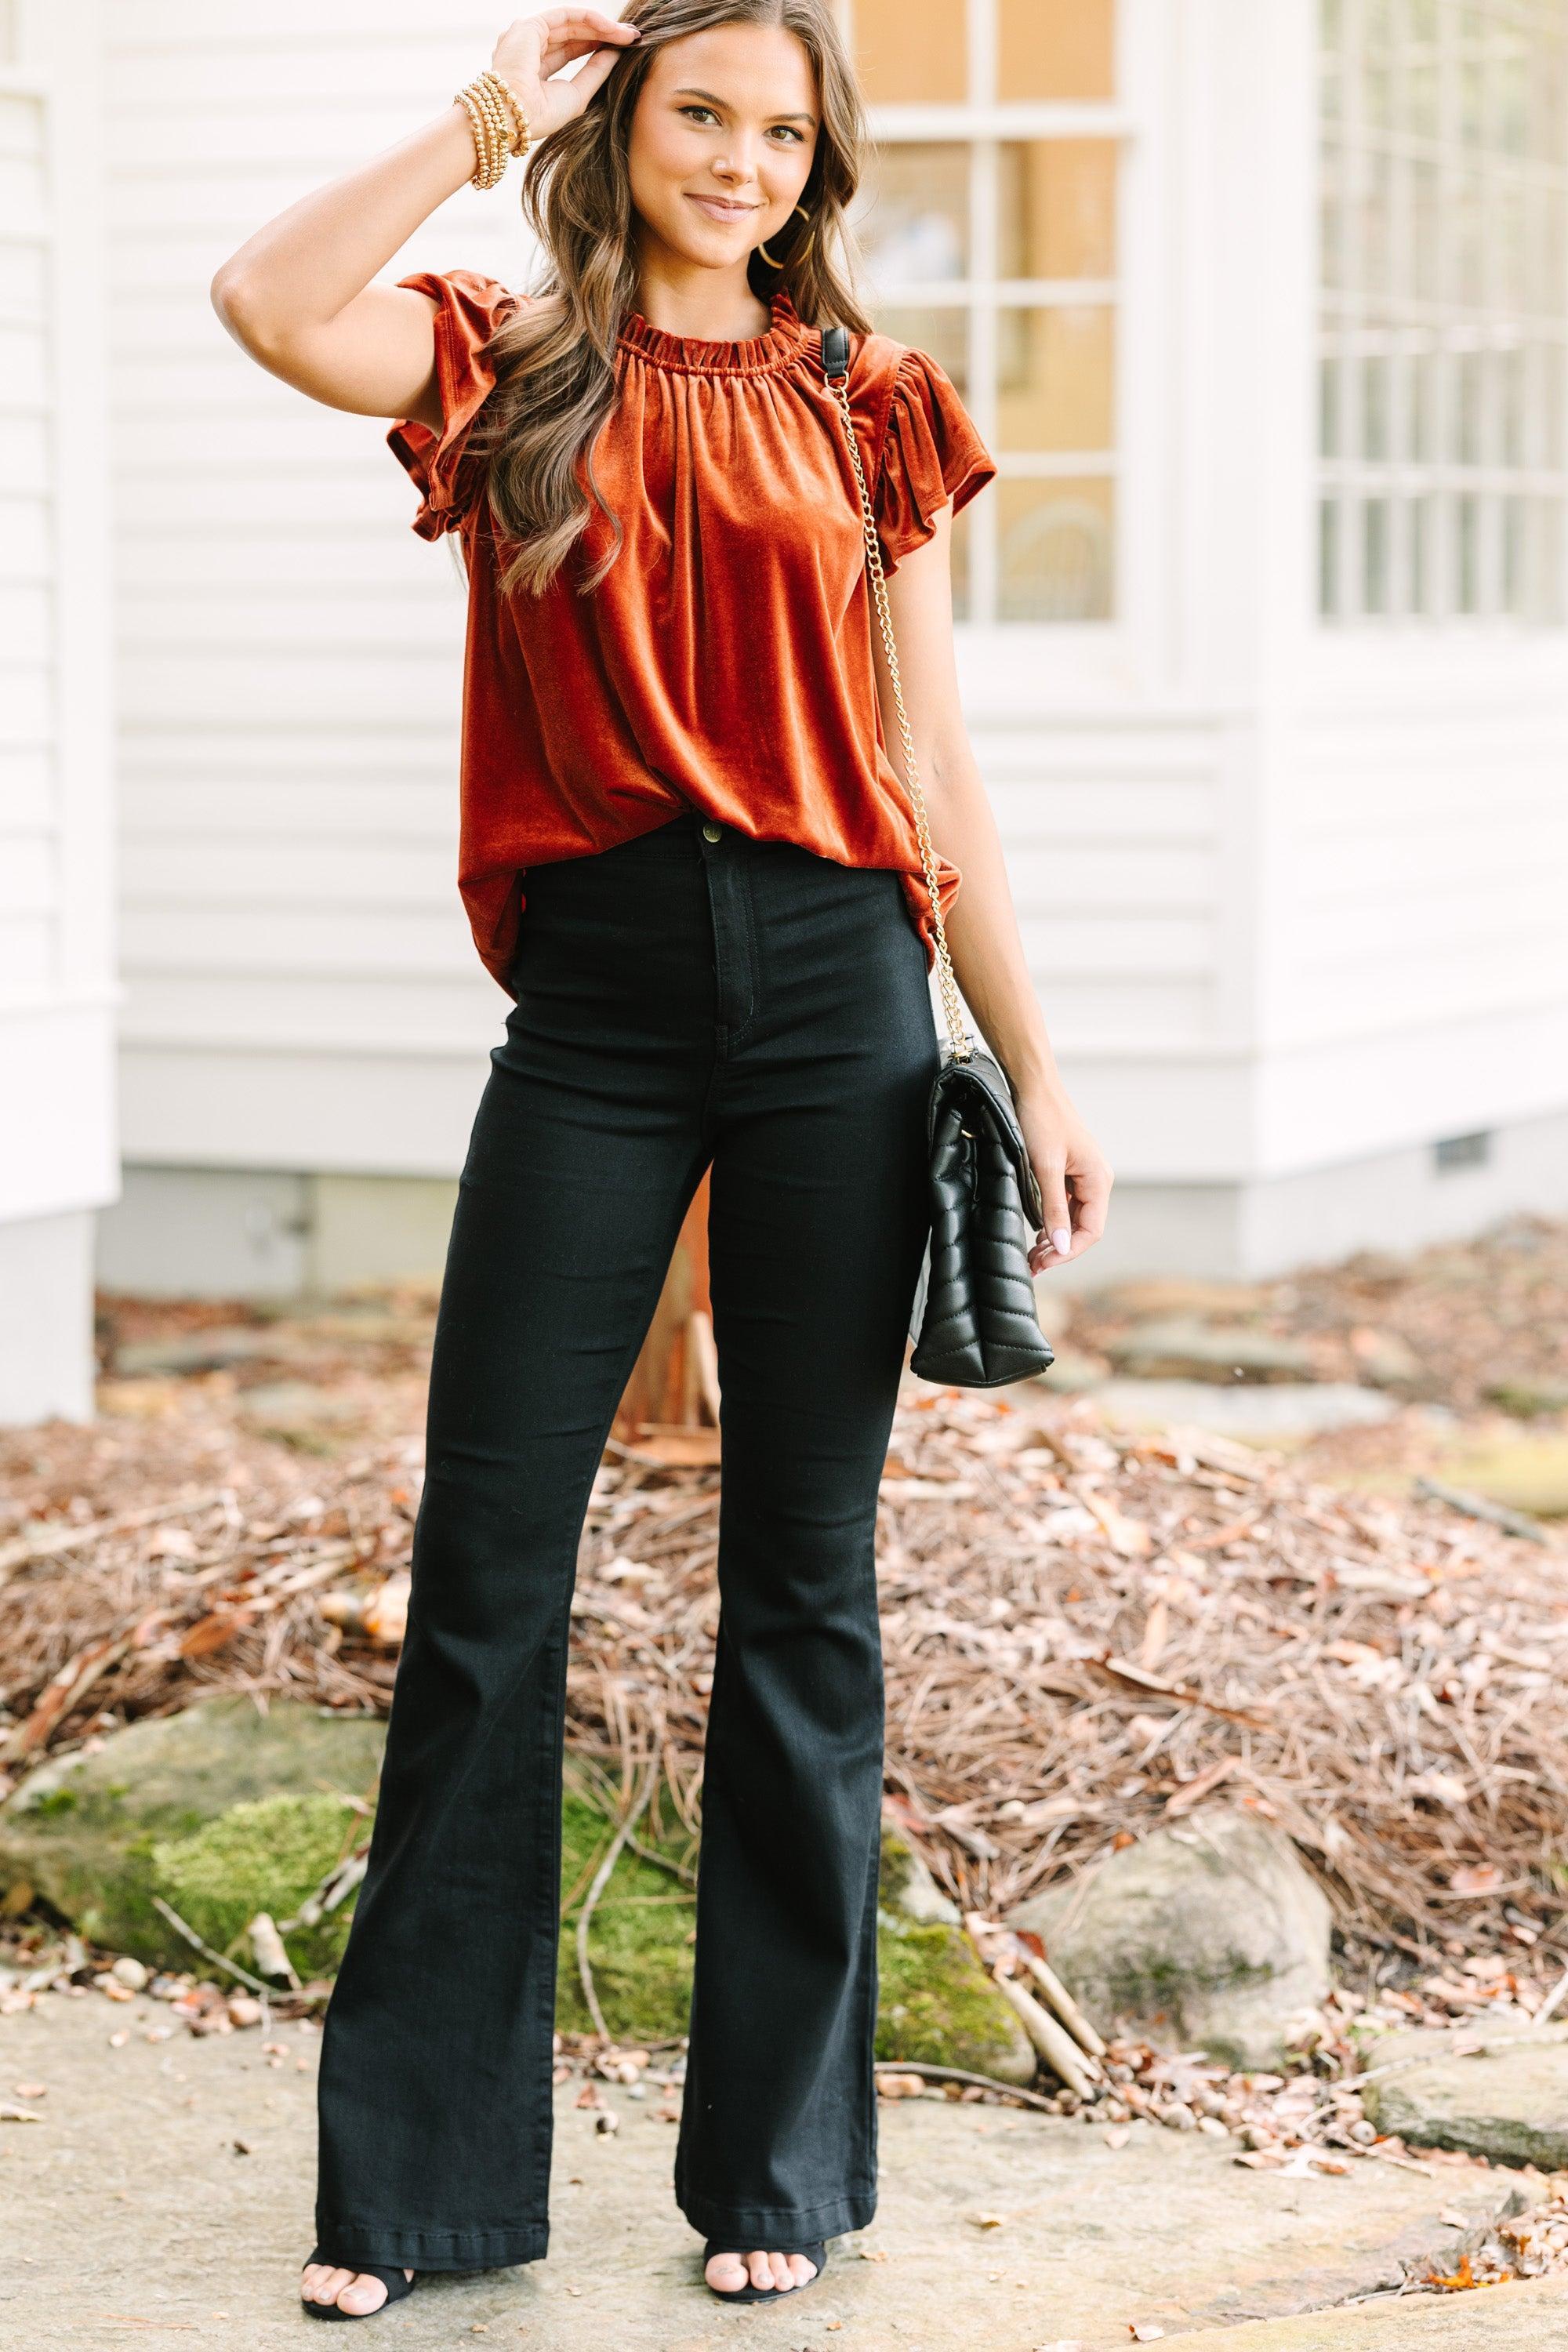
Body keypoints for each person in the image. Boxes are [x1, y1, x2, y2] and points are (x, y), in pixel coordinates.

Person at [211, 0, 1112, 2322]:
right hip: (593, 1006)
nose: (738, 158)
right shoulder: (505, 363)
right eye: (699, 112)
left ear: (820, 164)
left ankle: (778, 2179)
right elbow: (264, 300)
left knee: (803, 1591)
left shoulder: (872, 401)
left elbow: (933, 766)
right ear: (629, 128)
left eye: (778, 128)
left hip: (839, 1003)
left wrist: (1044, 1064)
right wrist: (485, 113)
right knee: (490, 1572)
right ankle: (416, 2198)